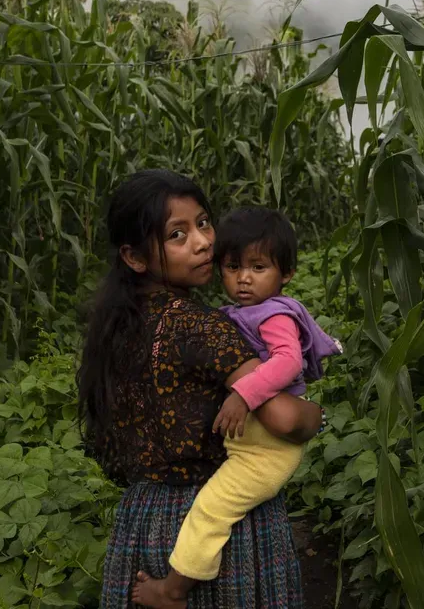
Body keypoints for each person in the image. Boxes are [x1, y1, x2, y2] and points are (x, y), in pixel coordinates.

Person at [79, 170, 323, 609]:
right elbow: (284, 418)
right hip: (220, 531)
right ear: (135, 257)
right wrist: (316, 414)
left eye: (204, 223)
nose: (203, 242)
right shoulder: (200, 326)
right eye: (178, 234)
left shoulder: (119, 326)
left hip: (143, 518)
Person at [132, 207, 341, 608]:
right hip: (259, 443)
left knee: (211, 512)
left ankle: (173, 591)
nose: (243, 278)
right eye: (232, 267)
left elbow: (287, 362)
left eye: (258, 267)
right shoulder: (240, 313)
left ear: (286, 274)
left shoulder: (275, 313)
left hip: (267, 449)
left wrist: (244, 393)